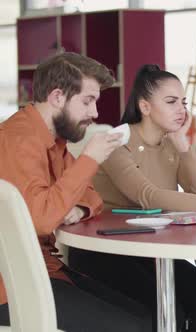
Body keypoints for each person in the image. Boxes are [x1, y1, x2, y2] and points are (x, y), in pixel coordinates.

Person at [69, 64, 196, 332]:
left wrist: (184, 148)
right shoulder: (117, 142)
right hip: (107, 250)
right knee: (170, 313)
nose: (182, 109)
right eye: (172, 102)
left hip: (151, 249)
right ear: (145, 107)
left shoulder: (170, 145)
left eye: (183, 102)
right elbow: (149, 196)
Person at [0, 52, 151, 331]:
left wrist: (77, 208)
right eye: (88, 101)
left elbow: (92, 197)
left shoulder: (53, 140)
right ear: (57, 97)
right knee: (133, 326)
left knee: (144, 318)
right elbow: (43, 219)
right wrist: (90, 159)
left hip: (45, 271)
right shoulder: (19, 140)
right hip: (12, 288)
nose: (94, 113)